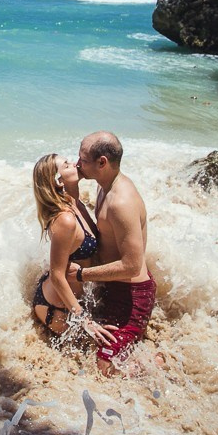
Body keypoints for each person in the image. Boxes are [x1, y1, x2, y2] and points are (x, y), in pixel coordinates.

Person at [69, 131, 156, 376]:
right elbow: (99, 233)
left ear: (102, 162)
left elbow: (132, 265)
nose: (77, 164)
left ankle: (159, 362)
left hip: (132, 295)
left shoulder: (121, 202)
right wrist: (72, 195)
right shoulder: (104, 186)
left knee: (105, 367)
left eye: (83, 159)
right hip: (112, 284)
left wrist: (81, 274)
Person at [29, 153, 117, 346]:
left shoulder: (76, 203)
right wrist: (84, 320)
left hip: (73, 298)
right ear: (59, 181)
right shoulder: (65, 220)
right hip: (57, 307)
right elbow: (57, 276)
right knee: (99, 350)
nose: (75, 163)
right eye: (67, 165)